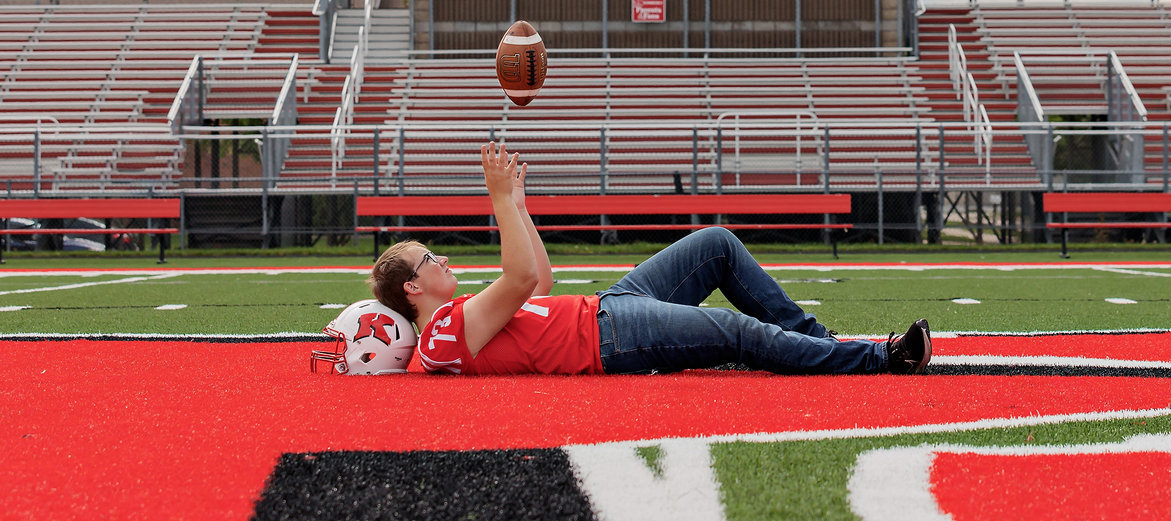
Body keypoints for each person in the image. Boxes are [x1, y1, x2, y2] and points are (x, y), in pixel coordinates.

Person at [368, 142, 931, 377]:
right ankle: (881, 358)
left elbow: (538, 281)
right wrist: (496, 202)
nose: (440, 259)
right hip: (611, 338)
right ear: (413, 290)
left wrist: (518, 207)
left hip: (610, 308)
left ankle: (820, 341)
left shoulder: (458, 317)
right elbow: (517, 277)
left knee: (716, 243)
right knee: (736, 331)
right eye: (428, 259)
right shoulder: (442, 332)